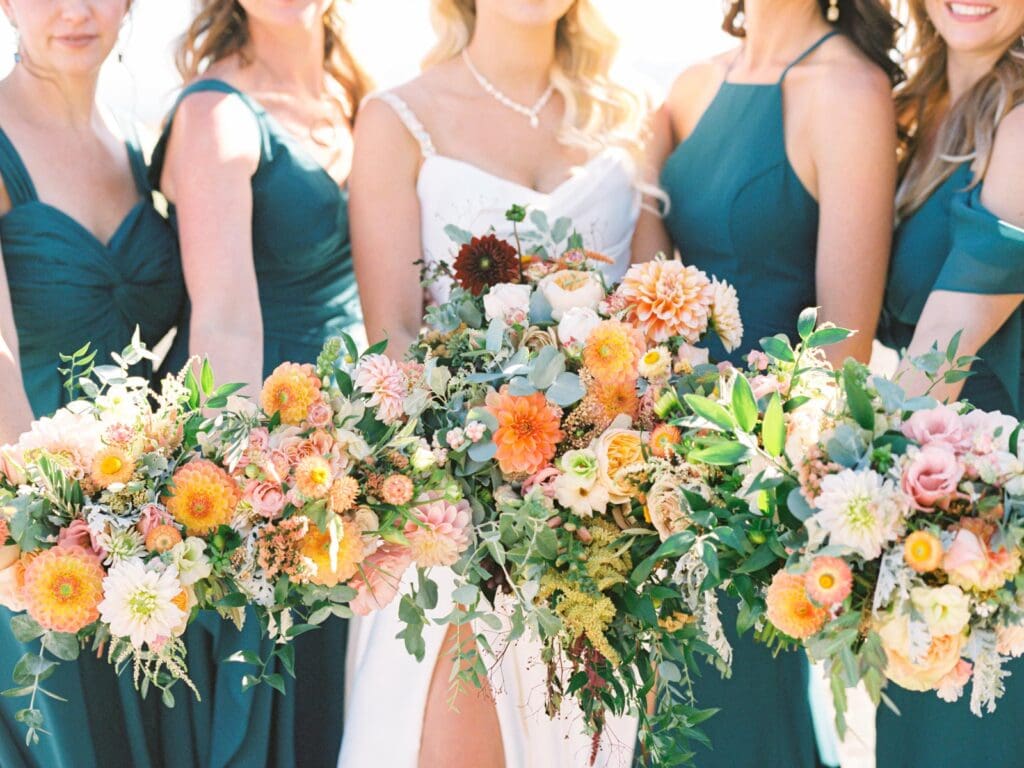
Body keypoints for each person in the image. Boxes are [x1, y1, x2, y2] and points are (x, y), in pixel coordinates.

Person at [343, 1, 646, 765]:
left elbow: (650, 321)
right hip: (451, 508)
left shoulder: (628, 119)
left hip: (593, 513)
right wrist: (485, 470)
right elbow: (396, 339)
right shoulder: (396, 118)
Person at [631, 1, 901, 764]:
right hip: (649, 465)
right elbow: (647, 266)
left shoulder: (849, 90)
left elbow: (844, 346)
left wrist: (736, 464)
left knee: (733, 728)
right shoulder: (690, 85)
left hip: (750, 485)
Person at [149, 1, 369, 765]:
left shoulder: (358, 97)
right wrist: (241, 497)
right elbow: (224, 325)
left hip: (362, 455)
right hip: (270, 457)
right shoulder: (217, 113)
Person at [0, 0, 184, 765]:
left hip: (144, 517)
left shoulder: (139, 143)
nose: (75, 11)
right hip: (37, 523)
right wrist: (43, 524)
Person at [875, 1, 1024, 764]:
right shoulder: (908, 109)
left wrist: (830, 487)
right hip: (929, 527)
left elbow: (938, 361)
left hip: (999, 533)